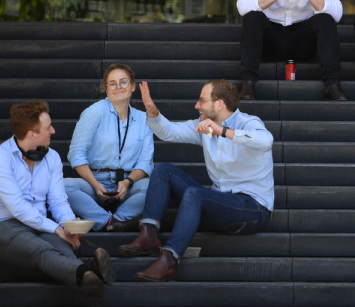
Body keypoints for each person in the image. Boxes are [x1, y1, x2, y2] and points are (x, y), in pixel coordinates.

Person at [117, 80, 273, 282]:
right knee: (164, 170)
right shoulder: (203, 126)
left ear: (219, 104)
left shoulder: (248, 122)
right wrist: (152, 111)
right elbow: (169, 132)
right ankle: (148, 235)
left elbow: (266, 141)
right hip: (219, 203)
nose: (196, 106)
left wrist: (223, 132)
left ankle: (169, 260)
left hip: (254, 209)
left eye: (202, 101)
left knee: (195, 194)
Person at [0, 100, 115, 303]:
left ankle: (91, 282)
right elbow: (17, 208)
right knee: (42, 250)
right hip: (3, 227)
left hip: (40, 225)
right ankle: (88, 271)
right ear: (31, 134)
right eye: (48, 127)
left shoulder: (51, 157)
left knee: (63, 248)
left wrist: (68, 225)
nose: (53, 131)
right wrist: (56, 229)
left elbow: (58, 200)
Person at [64, 64, 154, 232]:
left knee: (153, 186)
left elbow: (145, 162)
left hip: (128, 186)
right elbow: (76, 154)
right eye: (112, 84)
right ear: (106, 89)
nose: (118, 87)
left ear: (133, 86)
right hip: (95, 182)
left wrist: (128, 182)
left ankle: (118, 219)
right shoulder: (93, 113)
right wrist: (95, 184)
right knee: (63, 186)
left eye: (123, 82)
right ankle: (108, 222)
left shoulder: (144, 119)